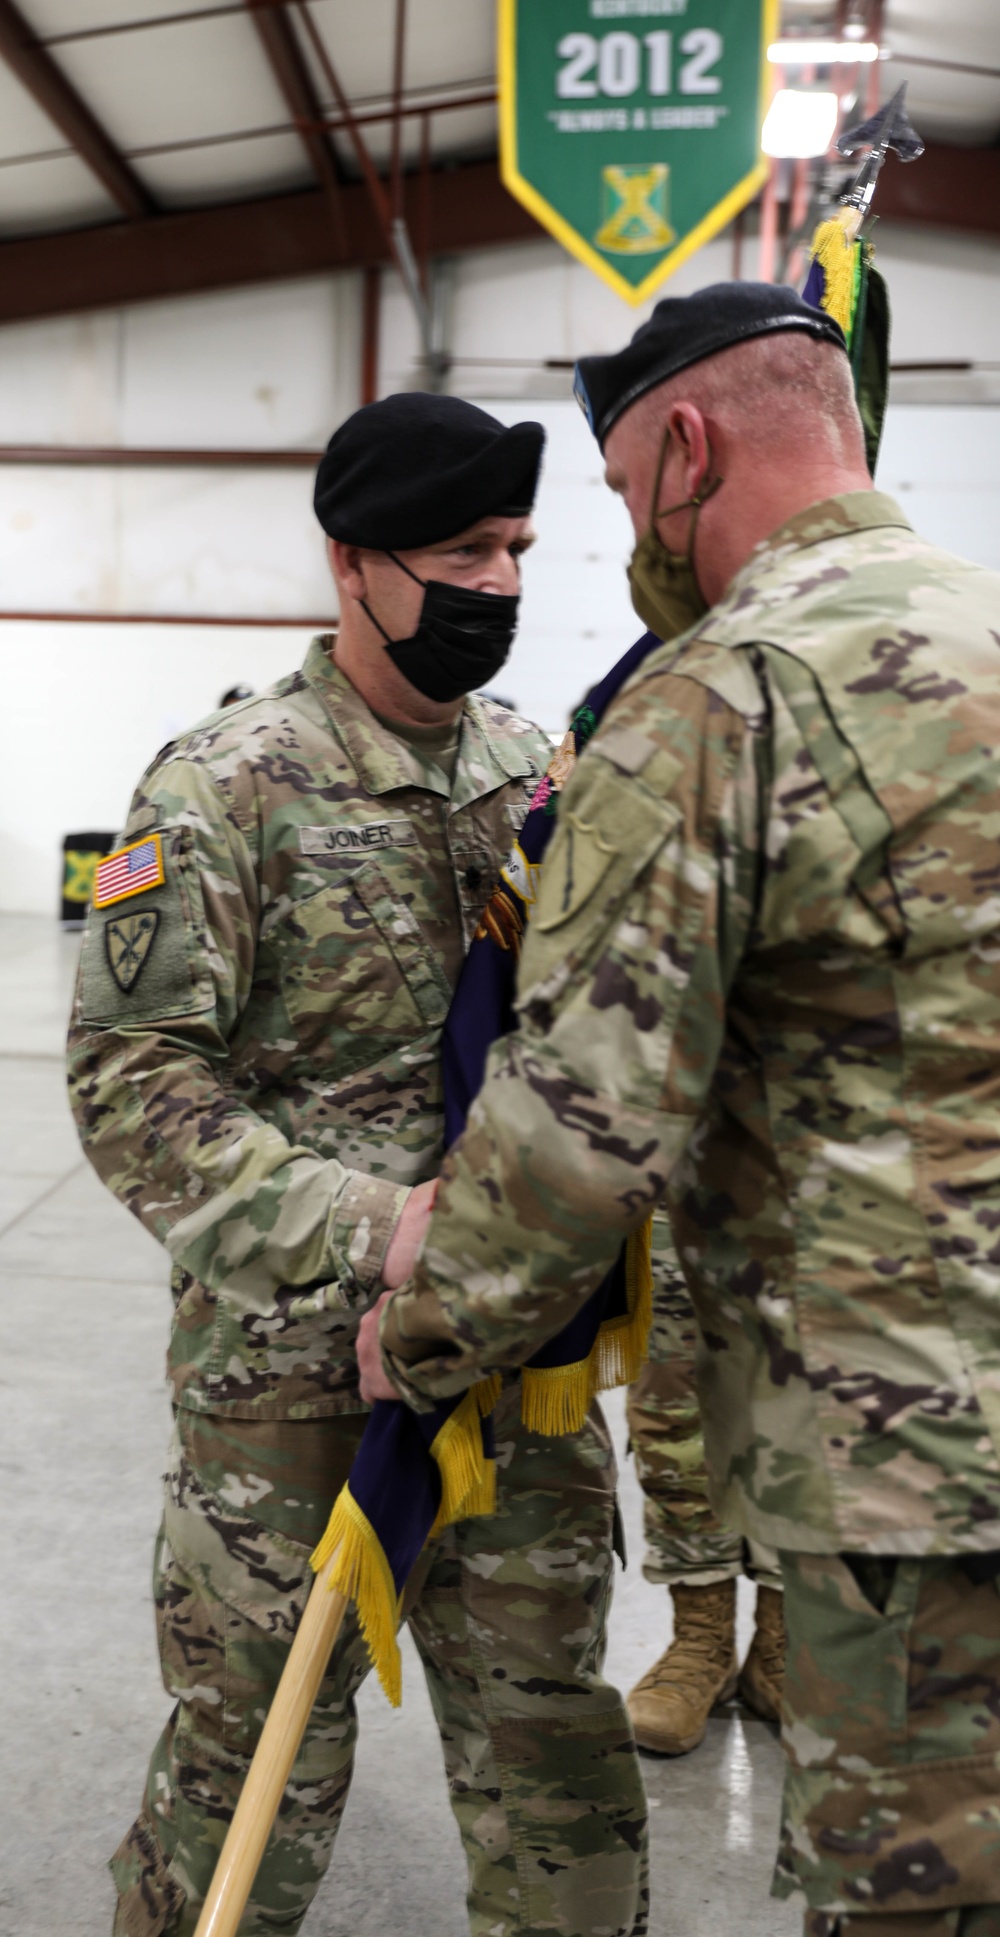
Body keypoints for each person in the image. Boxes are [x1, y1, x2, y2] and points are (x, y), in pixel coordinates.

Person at [361, 285, 1000, 1937]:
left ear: (687, 448)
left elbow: (582, 1127)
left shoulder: (721, 703)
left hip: (909, 1477)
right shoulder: (981, 631)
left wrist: (423, 1332)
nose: (633, 536)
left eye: (629, 487)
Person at [67, 392, 648, 1937]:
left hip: (506, 1371)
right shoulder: (217, 788)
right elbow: (132, 1088)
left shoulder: (537, 775)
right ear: (354, 562)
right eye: (462, 550)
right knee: (250, 1771)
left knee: (555, 1752)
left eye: (517, 548)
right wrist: (385, 1228)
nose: (502, 584)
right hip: (286, 1394)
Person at [625, 1217, 785, 1755]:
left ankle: (785, 1647)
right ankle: (703, 1639)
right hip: (680, 1173)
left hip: (831, 1173)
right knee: (674, 1404)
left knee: (810, 1404)